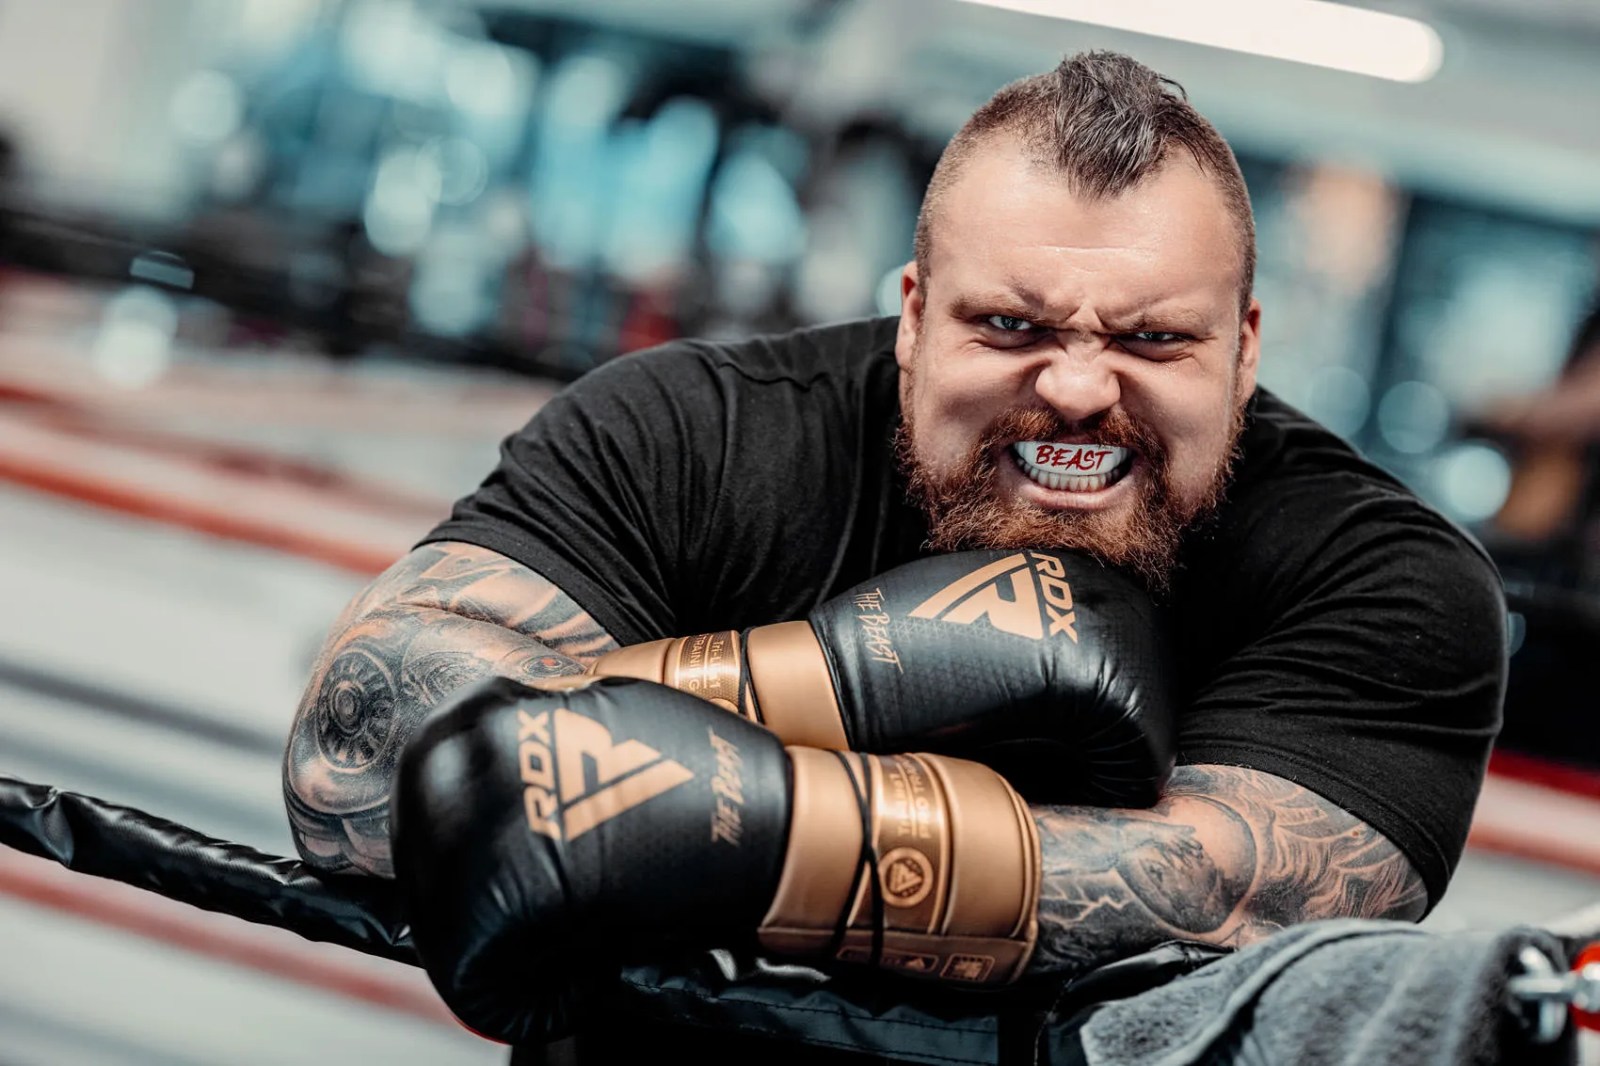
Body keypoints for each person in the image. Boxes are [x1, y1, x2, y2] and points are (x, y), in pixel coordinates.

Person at [281, 51, 1507, 1062]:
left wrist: (737, 821)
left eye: (1152, 340)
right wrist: (836, 678)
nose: (1079, 389)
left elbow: (1241, 903)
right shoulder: (690, 432)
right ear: (913, 315)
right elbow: (358, 747)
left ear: (1242, 348)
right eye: (1011, 324)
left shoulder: (1382, 581)